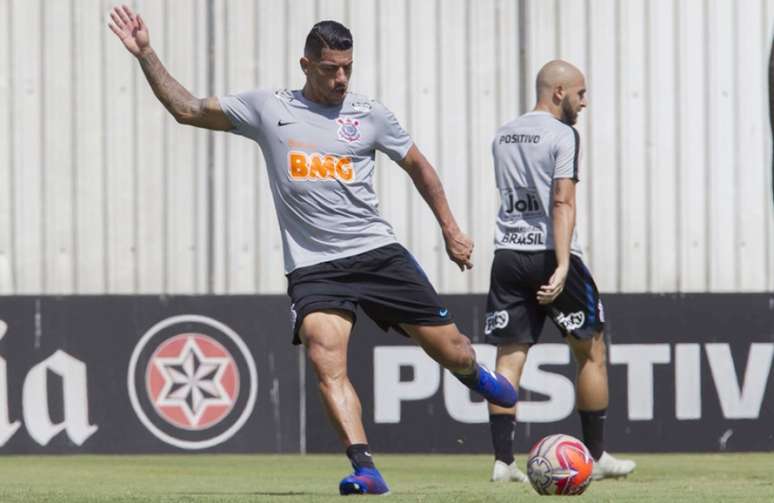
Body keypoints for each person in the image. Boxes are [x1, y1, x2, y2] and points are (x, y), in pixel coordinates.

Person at [108, 6, 517, 496]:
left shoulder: (370, 114)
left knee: (451, 352)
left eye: (348, 67)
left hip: (377, 252)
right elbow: (187, 109)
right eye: (330, 69)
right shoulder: (268, 108)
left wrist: (450, 229)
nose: (341, 78)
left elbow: (419, 167)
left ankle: (475, 372)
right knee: (327, 358)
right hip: (314, 266)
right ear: (305, 65)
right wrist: (146, 54)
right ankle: (365, 467)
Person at [484, 60, 635, 482]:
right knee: (591, 350)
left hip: (508, 255)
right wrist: (565, 262)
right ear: (558, 92)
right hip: (552, 253)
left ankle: (502, 462)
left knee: (509, 358)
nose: (584, 102)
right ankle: (598, 455)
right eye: (580, 93)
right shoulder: (563, 134)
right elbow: (562, 201)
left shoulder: (503, 134)